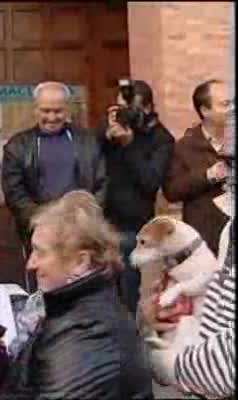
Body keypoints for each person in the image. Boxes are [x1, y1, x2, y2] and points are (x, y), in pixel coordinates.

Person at [0, 191, 154, 399]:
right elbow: (33, 381)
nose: (30, 264)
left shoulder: (89, 329)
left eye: (40, 252)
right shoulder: (73, 308)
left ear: (80, 262)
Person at [140, 104, 235, 399]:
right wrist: (172, 314)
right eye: (228, 163)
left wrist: (169, 363)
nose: (228, 176)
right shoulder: (231, 230)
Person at [1, 81, 106, 289]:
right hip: (40, 232)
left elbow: (101, 183)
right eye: (45, 110)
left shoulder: (87, 141)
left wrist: (85, 218)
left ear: (67, 110)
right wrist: (44, 222)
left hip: (80, 230)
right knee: (43, 289)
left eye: (57, 111)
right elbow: (14, 192)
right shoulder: (17, 146)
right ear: (35, 110)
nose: (51, 117)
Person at [96, 79, 175, 317]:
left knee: (127, 287)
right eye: (120, 109)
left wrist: (129, 145)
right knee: (101, 286)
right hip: (102, 220)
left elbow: (151, 182)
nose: (125, 115)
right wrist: (106, 131)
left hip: (133, 224)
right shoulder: (111, 133)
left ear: (149, 108)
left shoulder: (161, 139)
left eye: (130, 109)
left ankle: (129, 337)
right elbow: (90, 153)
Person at [163, 79, 231, 256]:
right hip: (205, 242)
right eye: (225, 104)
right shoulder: (185, 147)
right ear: (205, 110)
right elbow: (172, 191)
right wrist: (208, 176)